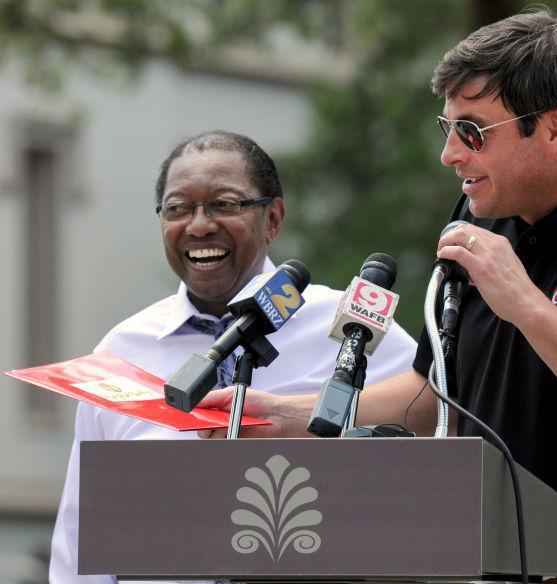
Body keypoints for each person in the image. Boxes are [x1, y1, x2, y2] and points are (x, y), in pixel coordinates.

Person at [203, 10, 557, 583]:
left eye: (474, 131)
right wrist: (285, 416)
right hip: (503, 570)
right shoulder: (484, 217)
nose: (451, 155)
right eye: (448, 128)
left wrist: (530, 306)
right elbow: (439, 393)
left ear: (556, 128)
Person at [49, 130, 418, 583]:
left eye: (224, 205)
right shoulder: (122, 350)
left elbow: (438, 448)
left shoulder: (351, 331)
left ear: (273, 220)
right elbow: (81, 529)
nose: (199, 225)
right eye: (178, 209)